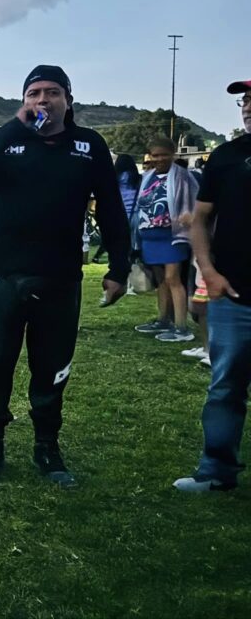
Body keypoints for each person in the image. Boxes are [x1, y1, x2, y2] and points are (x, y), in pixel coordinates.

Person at [0, 65, 130, 487]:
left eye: (52, 93)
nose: (42, 101)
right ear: (24, 101)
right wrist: (14, 125)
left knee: (52, 368)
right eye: (33, 93)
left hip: (61, 276)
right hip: (3, 274)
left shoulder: (89, 145)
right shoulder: (10, 138)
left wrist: (119, 267)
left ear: (68, 99)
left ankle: (47, 447)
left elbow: (110, 209)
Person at [174, 79, 251, 492]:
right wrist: (208, 269)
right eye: (246, 100)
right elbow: (200, 219)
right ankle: (217, 473)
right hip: (234, 295)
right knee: (225, 388)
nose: (248, 107)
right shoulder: (225, 157)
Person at [131, 137, 199, 343]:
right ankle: (163, 319)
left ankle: (181, 327)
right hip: (150, 236)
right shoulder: (147, 176)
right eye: (155, 155)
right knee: (161, 280)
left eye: (164, 154)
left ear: (174, 154)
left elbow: (194, 202)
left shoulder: (183, 177)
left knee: (173, 279)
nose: (159, 159)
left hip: (173, 236)